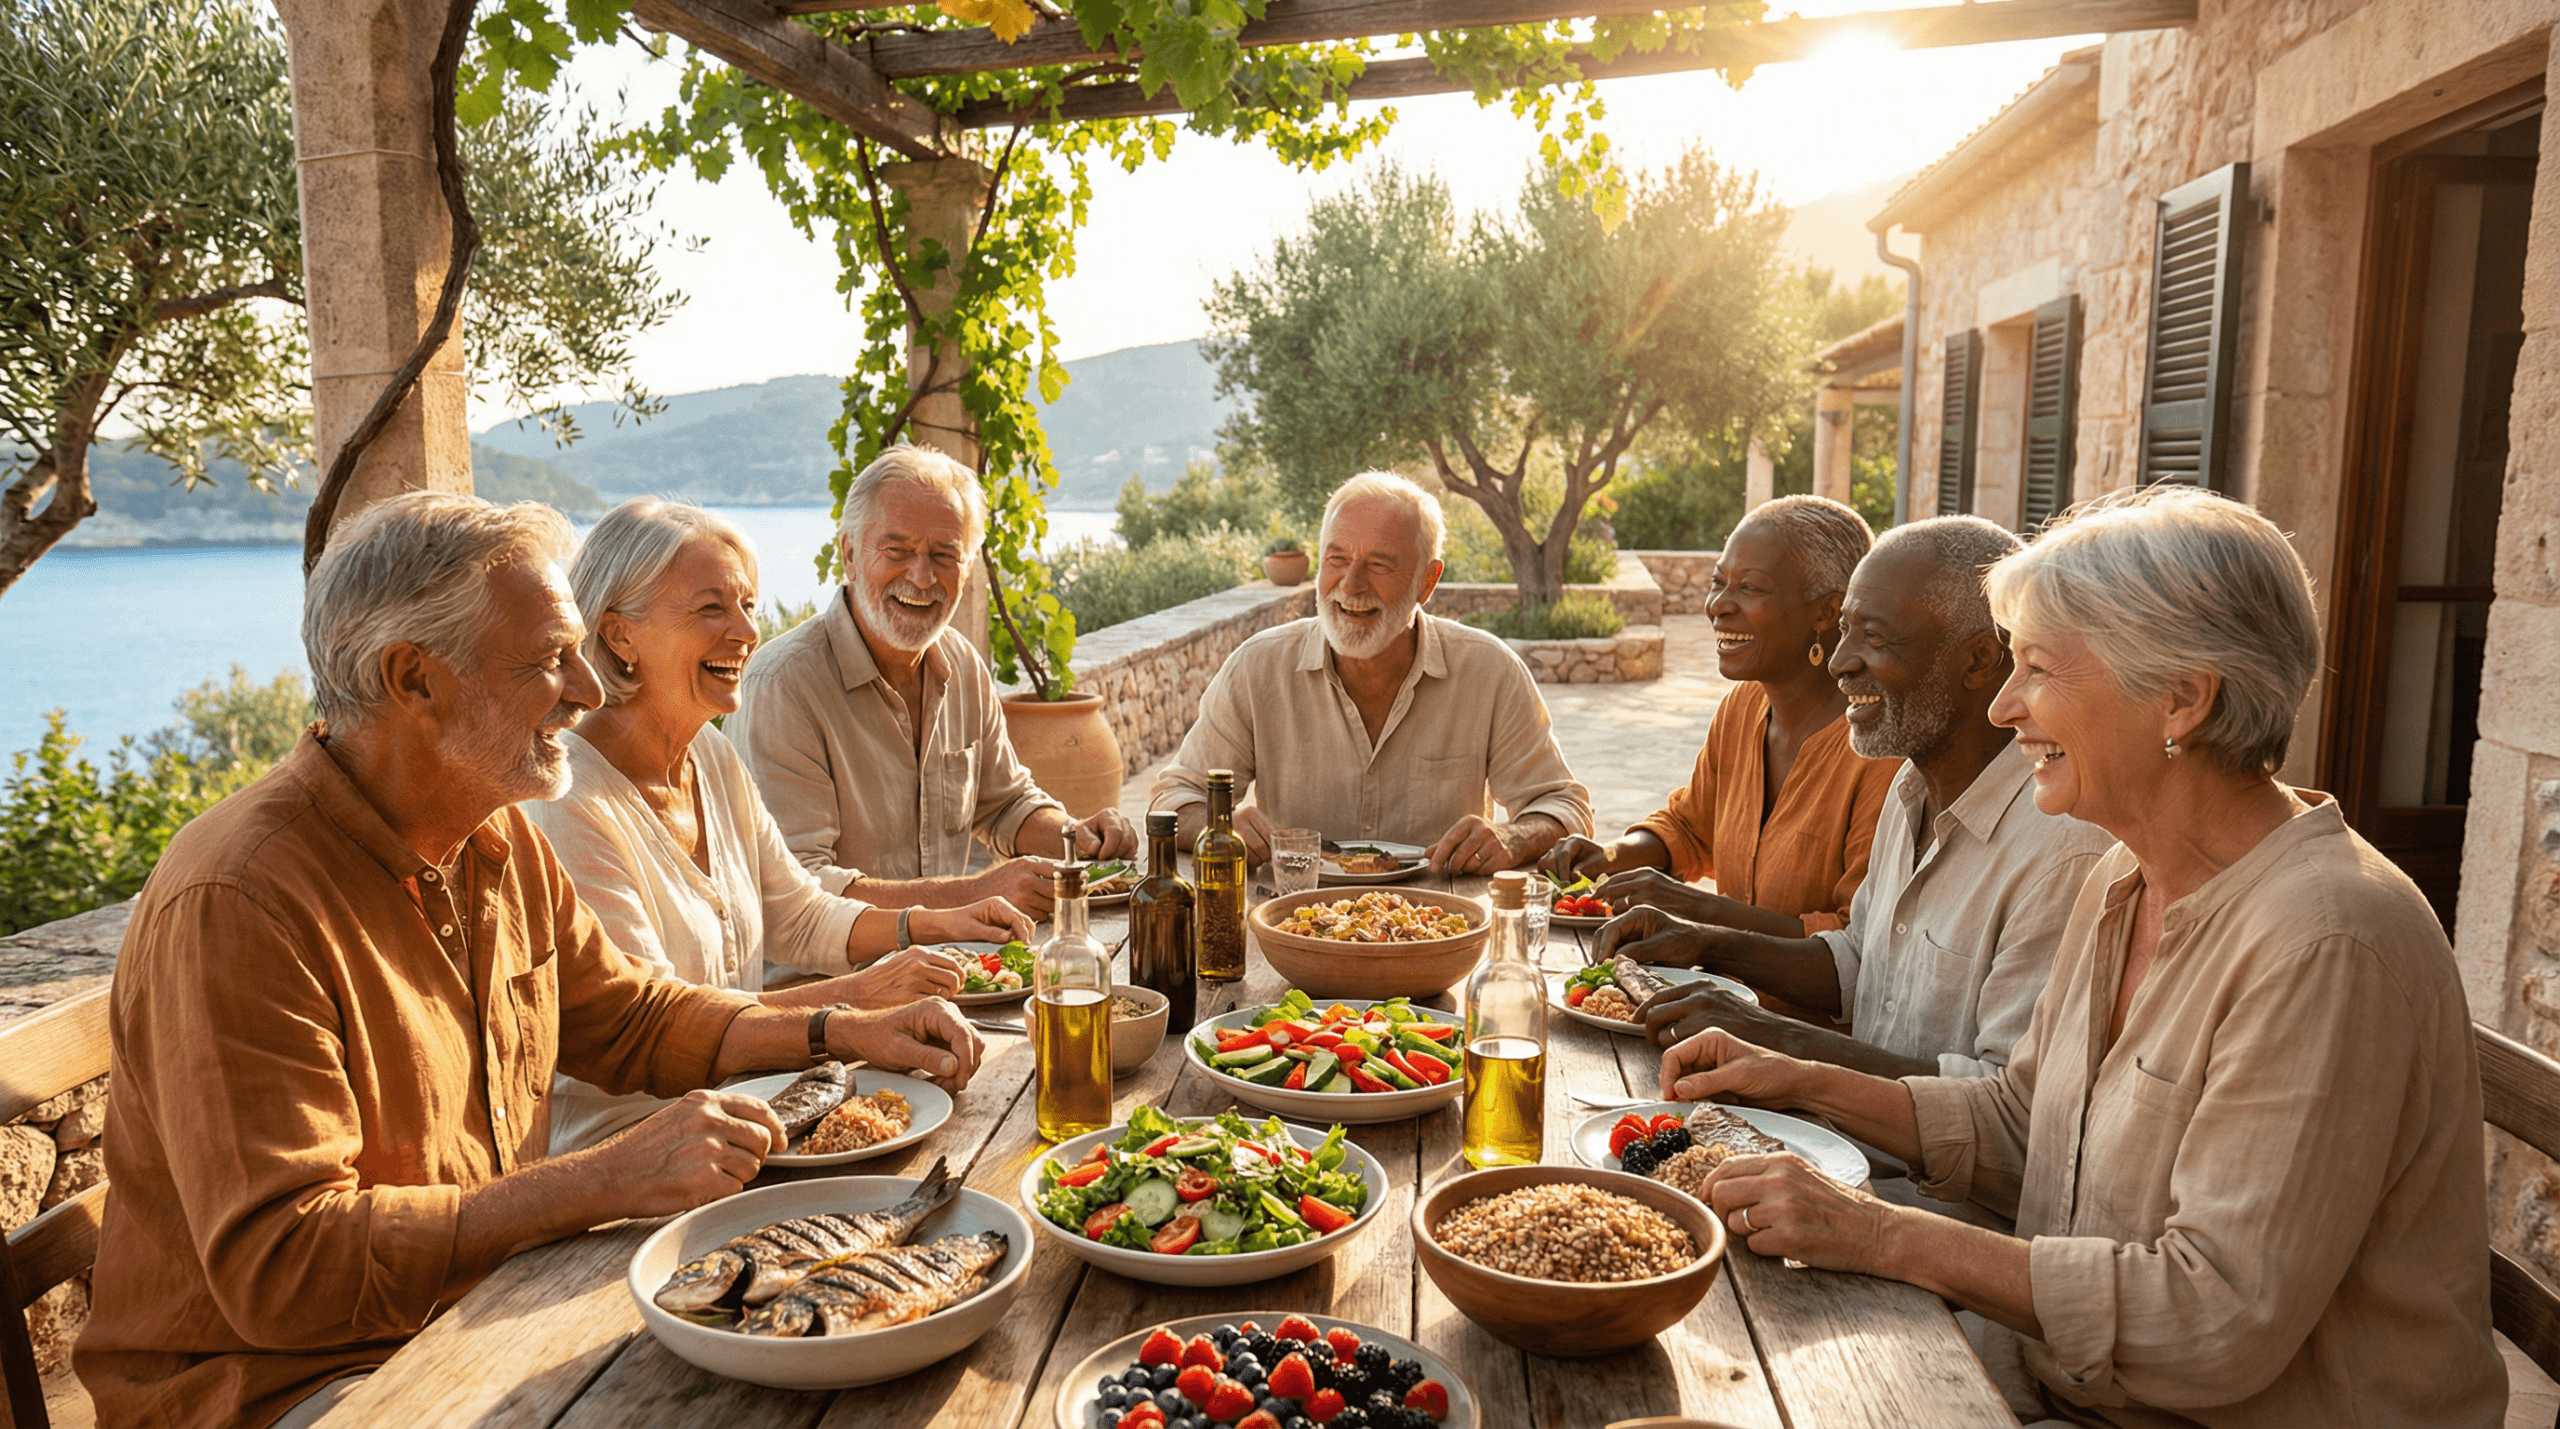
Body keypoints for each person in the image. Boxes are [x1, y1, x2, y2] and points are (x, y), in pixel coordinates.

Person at [77, 494, 985, 1429]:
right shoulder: (241, 901)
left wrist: (838, 1028)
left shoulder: (489, 833)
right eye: (552, 660)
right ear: (412, 678)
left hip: (478, 1311)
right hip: (293, 1390)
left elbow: (629, 1017)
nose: (589, 690)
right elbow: (286, 1267)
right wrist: (598, 1180)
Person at [1663, 486, 2503, 1427]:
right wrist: (1792, 1073)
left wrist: (1883, 1235)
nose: (2008, 704)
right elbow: (2026, 1126)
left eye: (2039, 670)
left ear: (2181, 696)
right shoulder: (2125, 875)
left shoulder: (2327, 940)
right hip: (2051, 1378)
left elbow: (2213, 1317)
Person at [530, 498, 1034, 1154]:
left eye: (747, 604)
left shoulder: (707, 753)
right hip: (636, 1158)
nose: (744, 630)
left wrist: (933, 923)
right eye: (712, 608)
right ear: (621, 634)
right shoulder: (569, 800)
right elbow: (663, 1023)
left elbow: (797, 912)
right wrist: (852, 1007)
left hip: (751, 1120)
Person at [1606, 517, 2115, 1091]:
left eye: (1873, 637)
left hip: (1903, 1181)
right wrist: (1704, 943)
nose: (1839, 662)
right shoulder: (1912, 790)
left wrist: (1780, 1041)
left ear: (1977, 662)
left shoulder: (2061, 849)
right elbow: (1857, 960)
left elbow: (2008, 1109)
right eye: (1845, 631)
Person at [728, 445, 1136, 918]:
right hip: (825, 986)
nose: (922, 577)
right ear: (850, 553)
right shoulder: (783, 686)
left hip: (949, 967)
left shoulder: (962, 664)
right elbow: (798, 890)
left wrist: (1077, 836)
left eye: (945, 555)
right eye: (898, 551)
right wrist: (974, 893)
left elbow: (1004, 803)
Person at [1148, 471, 1592, 873]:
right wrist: (1217, 826)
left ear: (1427, 581)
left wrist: (1513, 838)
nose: (1351, 584)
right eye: (1337, 559)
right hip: (1295, 926)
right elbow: (1173, 802)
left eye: (1379, 565)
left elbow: (1563, 805)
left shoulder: (1490, 671)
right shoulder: (1257, 668)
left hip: (1440, 929)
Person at [1543, 495, 1897, 988]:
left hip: (1808, 1043)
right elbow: (1689, 829)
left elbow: (1857, 950)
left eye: (1749, 588)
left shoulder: (1882, 752)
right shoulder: (1744, 708)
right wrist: (1607, 859)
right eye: (1718, 582)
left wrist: (1696, 912)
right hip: (1714, 1010)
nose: (1717, 606)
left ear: (1827, 611)